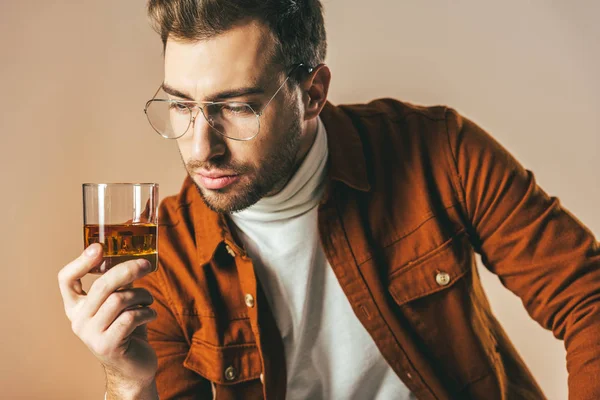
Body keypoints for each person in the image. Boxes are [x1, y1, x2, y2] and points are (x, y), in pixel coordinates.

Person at [57, 1, 600, 399]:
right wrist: (129, 380)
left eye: (239, 107)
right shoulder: (161, 255)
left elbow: (587, 295)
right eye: (181, 106)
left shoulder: (437, 150)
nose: (202, 148)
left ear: (312, 94)